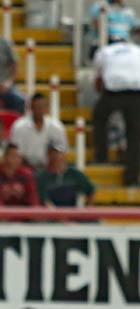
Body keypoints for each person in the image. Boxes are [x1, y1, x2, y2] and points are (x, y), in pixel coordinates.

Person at [92, 38, 140, 185]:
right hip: (136, 92)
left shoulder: (104, 51)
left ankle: (101, 157)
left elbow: (99, 80)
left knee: (99, 118)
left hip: (113, 91)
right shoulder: (137, 50)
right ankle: (131, 175)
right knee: (136, 134)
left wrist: (101, 96)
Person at [10, 93, 66, 171]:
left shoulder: (56, 127)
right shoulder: (19, 126)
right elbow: (15, 153)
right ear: (30, 107)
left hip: (50, 169)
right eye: (37, 107)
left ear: (47, 108)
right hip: (25, 168)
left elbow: (62, 151)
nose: (40, 110)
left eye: (42, 107)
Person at [36, 142, 95, 207]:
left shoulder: (74, 173)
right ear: (48, 155)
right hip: (49, 214)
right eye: (52, 153)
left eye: (58, 153)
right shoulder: (41, 177)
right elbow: (45, 200)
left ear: (64, 154)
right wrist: (57, 215)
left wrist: (88, 207)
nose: (56, 156)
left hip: (72, 212)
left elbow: (90, 190)